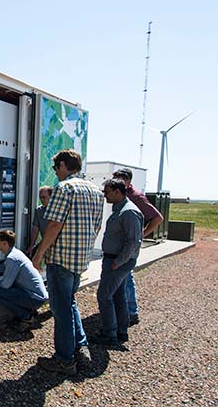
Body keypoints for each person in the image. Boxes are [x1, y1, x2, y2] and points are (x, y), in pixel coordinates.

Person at [32, 150, 104, 375]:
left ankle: (64, 360)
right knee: (69, 303)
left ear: (63, 165)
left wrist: (38, 254)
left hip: (61, 259)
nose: (55, 173)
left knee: (61, 310)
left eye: (55, 168)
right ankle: (79, 347)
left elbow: (54, 225)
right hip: (81, 259)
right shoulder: (96, 191)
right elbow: (97, 227)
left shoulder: (64, 189)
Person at [111, 168, 163, 326]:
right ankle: (124, 309)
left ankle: (131, 312)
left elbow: (157, 218)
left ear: (127, 182)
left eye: (118, 181)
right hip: (121, 244)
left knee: (127, 276)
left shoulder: (136, 197)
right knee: (124, 277)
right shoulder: (122, 196)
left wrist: (142, 234)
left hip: (129, 245)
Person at [95, 178, 144, 345]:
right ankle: (121, 331)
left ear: (117, 192)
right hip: (114, 260)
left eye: (107, 192)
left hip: (117, 262)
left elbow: (133, 241)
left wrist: (119, 262)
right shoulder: (120, 210)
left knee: (104, 295)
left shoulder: (128, 212)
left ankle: (110, 334)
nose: (105, 195)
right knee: (118, 295)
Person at [0, 230, 47, 332]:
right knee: (5, 290)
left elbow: (5, 285)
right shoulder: (15, 253)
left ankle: (26, 317)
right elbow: (2, 268)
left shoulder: (12, 258)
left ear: (5, 243)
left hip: (35, 298)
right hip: (36, 295)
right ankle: (29, 310)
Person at [25, 186, 54, 259]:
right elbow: (35, 228)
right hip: (45, 242)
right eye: (40, 197)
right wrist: (31, 245)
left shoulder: (58, 210)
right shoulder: (39, 211)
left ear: (51, 197)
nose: (42, 200)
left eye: (44, 197)